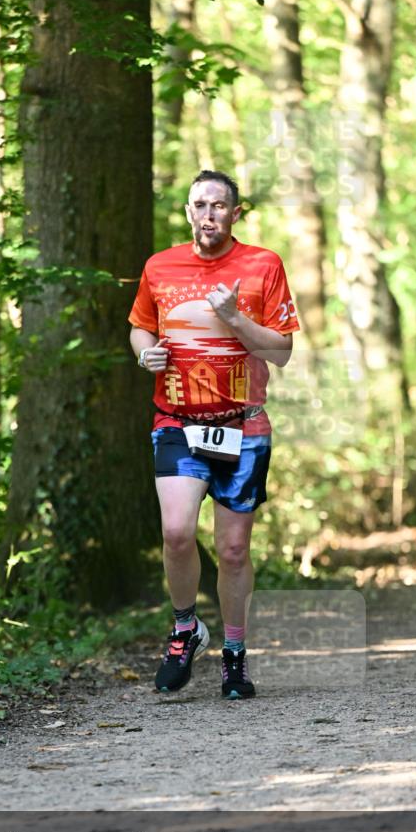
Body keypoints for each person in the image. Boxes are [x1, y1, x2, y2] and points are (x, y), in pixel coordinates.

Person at [128, 170, 299, 699]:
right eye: (200, 205)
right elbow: (141, 324)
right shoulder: (161, 266)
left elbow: (281, 351)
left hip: (242, 426)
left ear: (235, 213)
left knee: (231, 551)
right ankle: (185, 630)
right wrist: (144, 352)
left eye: (219, 206)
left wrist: (234, 319)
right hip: (177, 422)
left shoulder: (262, 265)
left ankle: (234, 655)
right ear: (187, 211)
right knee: (177, 533)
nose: (209, 214)